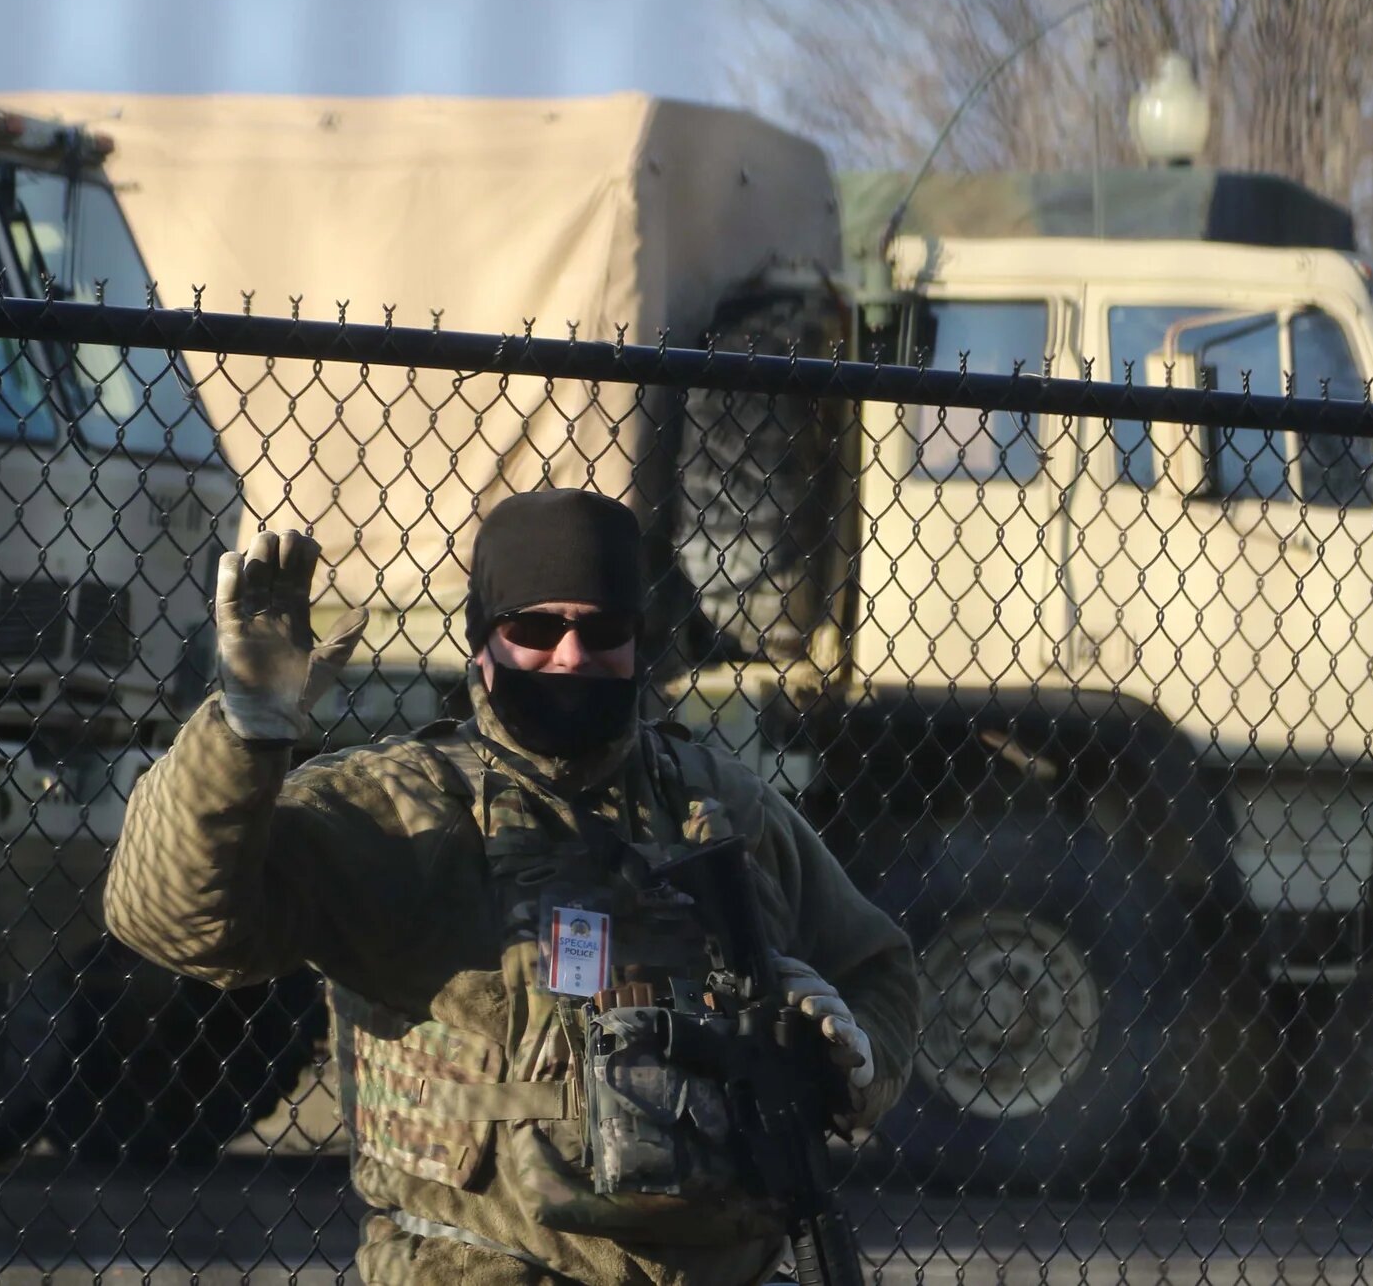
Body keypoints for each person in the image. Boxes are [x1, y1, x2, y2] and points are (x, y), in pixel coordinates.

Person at [105, 488, 921, 1286]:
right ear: (481, 641)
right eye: (535, 627)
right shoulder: (395, 809)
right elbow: (171, 918)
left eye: (602, 630)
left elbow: (878, 964)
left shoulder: (723, 804)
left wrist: (848, 1055)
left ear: (640, 642)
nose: (570, 656)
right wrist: (242, 732)